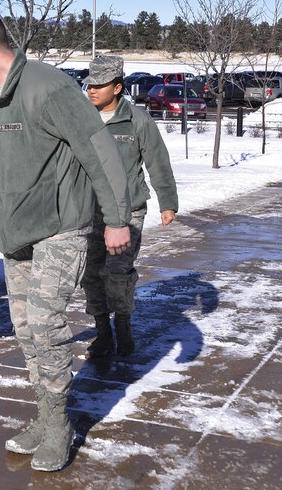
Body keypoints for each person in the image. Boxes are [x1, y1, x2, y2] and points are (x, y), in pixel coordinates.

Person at [0, 1, 132, 472]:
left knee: (45, 324)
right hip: (16, 232)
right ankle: (46, 418)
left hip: (62, 227)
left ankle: (60, 424)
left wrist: (116, 218)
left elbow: (100, 152)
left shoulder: (49, 88)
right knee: (26, 330)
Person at [81, 56, 178, 358]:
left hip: (128, 210)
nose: (91, 90)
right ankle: (102, 332)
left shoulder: (137, 119)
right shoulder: (80, 118)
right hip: (88, 209)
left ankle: (123, 325)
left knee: (118, 271)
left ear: (118, 87)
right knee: (91, 273)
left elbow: (157, 161)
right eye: (89, 84)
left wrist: (168, 201)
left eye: (99, 85)